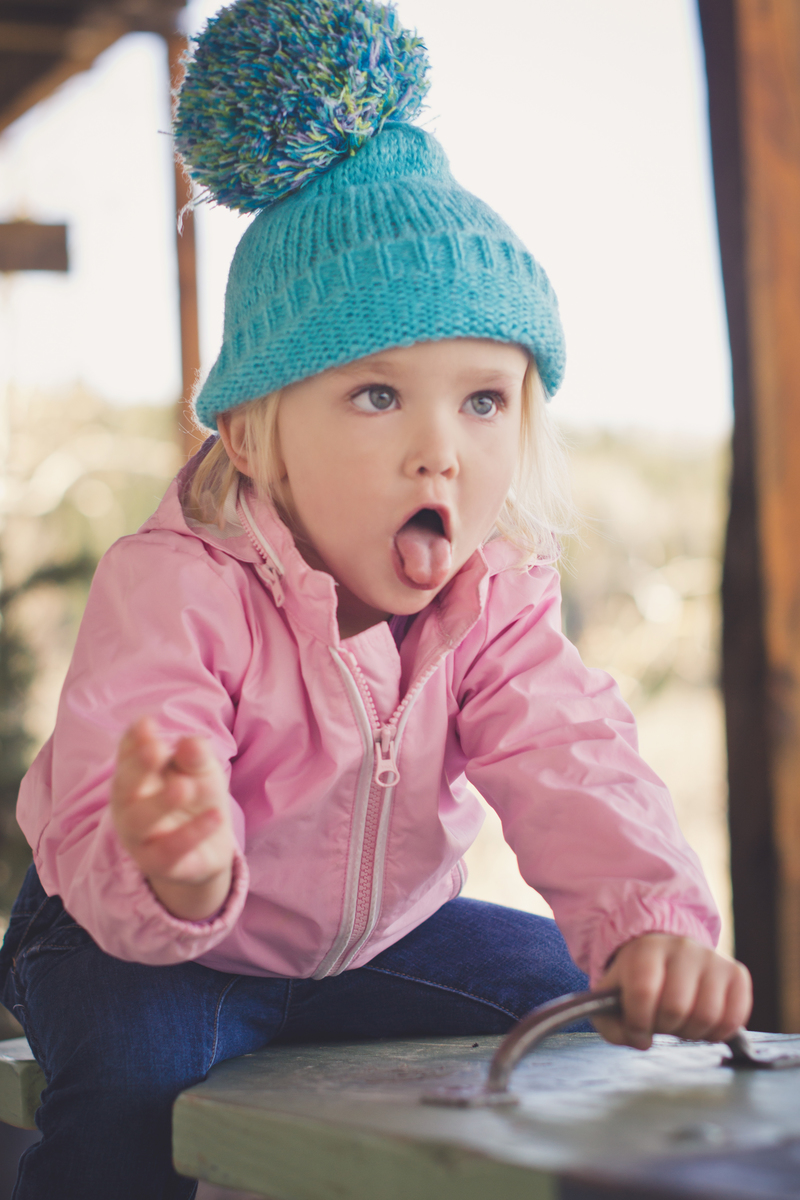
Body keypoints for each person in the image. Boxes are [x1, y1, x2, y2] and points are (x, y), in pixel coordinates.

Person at [0, 0, 750, 1195]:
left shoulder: (494, 600)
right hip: (134, 936)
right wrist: (176, 863)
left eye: (482, 401)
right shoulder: (180, 584)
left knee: (578, 998)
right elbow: (122, 785)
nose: (438, 451)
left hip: (365, 947)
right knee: (140, 1088)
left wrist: (651, 926)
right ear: (254, 434)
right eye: (376, 396)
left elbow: (573, 757)